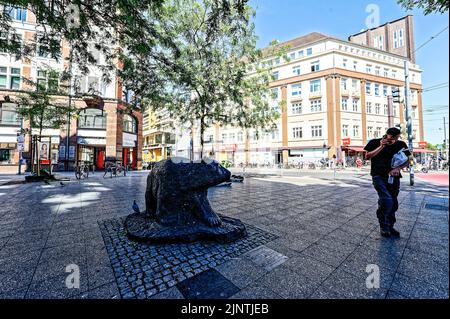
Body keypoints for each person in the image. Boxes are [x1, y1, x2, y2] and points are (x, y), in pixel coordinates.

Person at [364, 127, 412, 238]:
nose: (393, 140)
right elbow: (367, 156)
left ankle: (390, 225)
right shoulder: (374, 142)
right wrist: (381, 146)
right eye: (391, 138)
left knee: (393, 202)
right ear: (387, 135)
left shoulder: (401, 144)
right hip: (378, 175)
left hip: (394, 177)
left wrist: (398, 168)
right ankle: (384, 226)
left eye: (396, 138)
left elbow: (409, 159)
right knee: (386, 200)